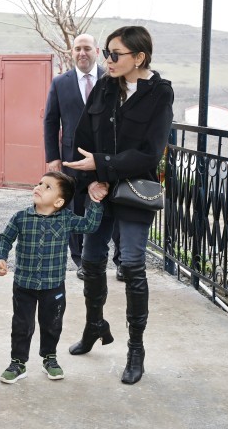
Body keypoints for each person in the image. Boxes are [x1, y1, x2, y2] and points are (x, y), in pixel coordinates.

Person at [64, 25, 173, 385]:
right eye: (106, 53)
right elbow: (81, 138)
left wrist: (103, 165)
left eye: (115, 54)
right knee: (91, 261)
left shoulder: (160, 93)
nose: (107, 60)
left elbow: (150, 154)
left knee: (132, 264)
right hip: (100, 191)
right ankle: (94, 325)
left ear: (139, 57)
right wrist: (91, 181)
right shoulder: (104, 87)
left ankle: (135, 350)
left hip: (134, 192)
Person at [0, 171, 103, 384]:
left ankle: (49, 358)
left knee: (52, 324)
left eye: (47, 187)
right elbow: (5, 238)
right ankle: (18, 363)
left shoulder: (66, 219)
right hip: (24, 284)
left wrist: (96, 202)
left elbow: (90, 225)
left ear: (59, 202)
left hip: (53, 286)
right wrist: (0, 257)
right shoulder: (21, 217)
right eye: (40, 183)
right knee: (21, 325)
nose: (39, 187)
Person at [43, 34, 104, 280]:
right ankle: (80, 260)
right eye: (77, 48)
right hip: (71, 159)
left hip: (104, 157)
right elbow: (50, 121)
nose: (82, 53)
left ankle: (120, 261)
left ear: (96, 51)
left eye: (87, 48)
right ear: (72, 52)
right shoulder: (60, 83)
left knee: (110, 206)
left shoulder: (110, 79)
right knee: (75, 210)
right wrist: (52, 157)